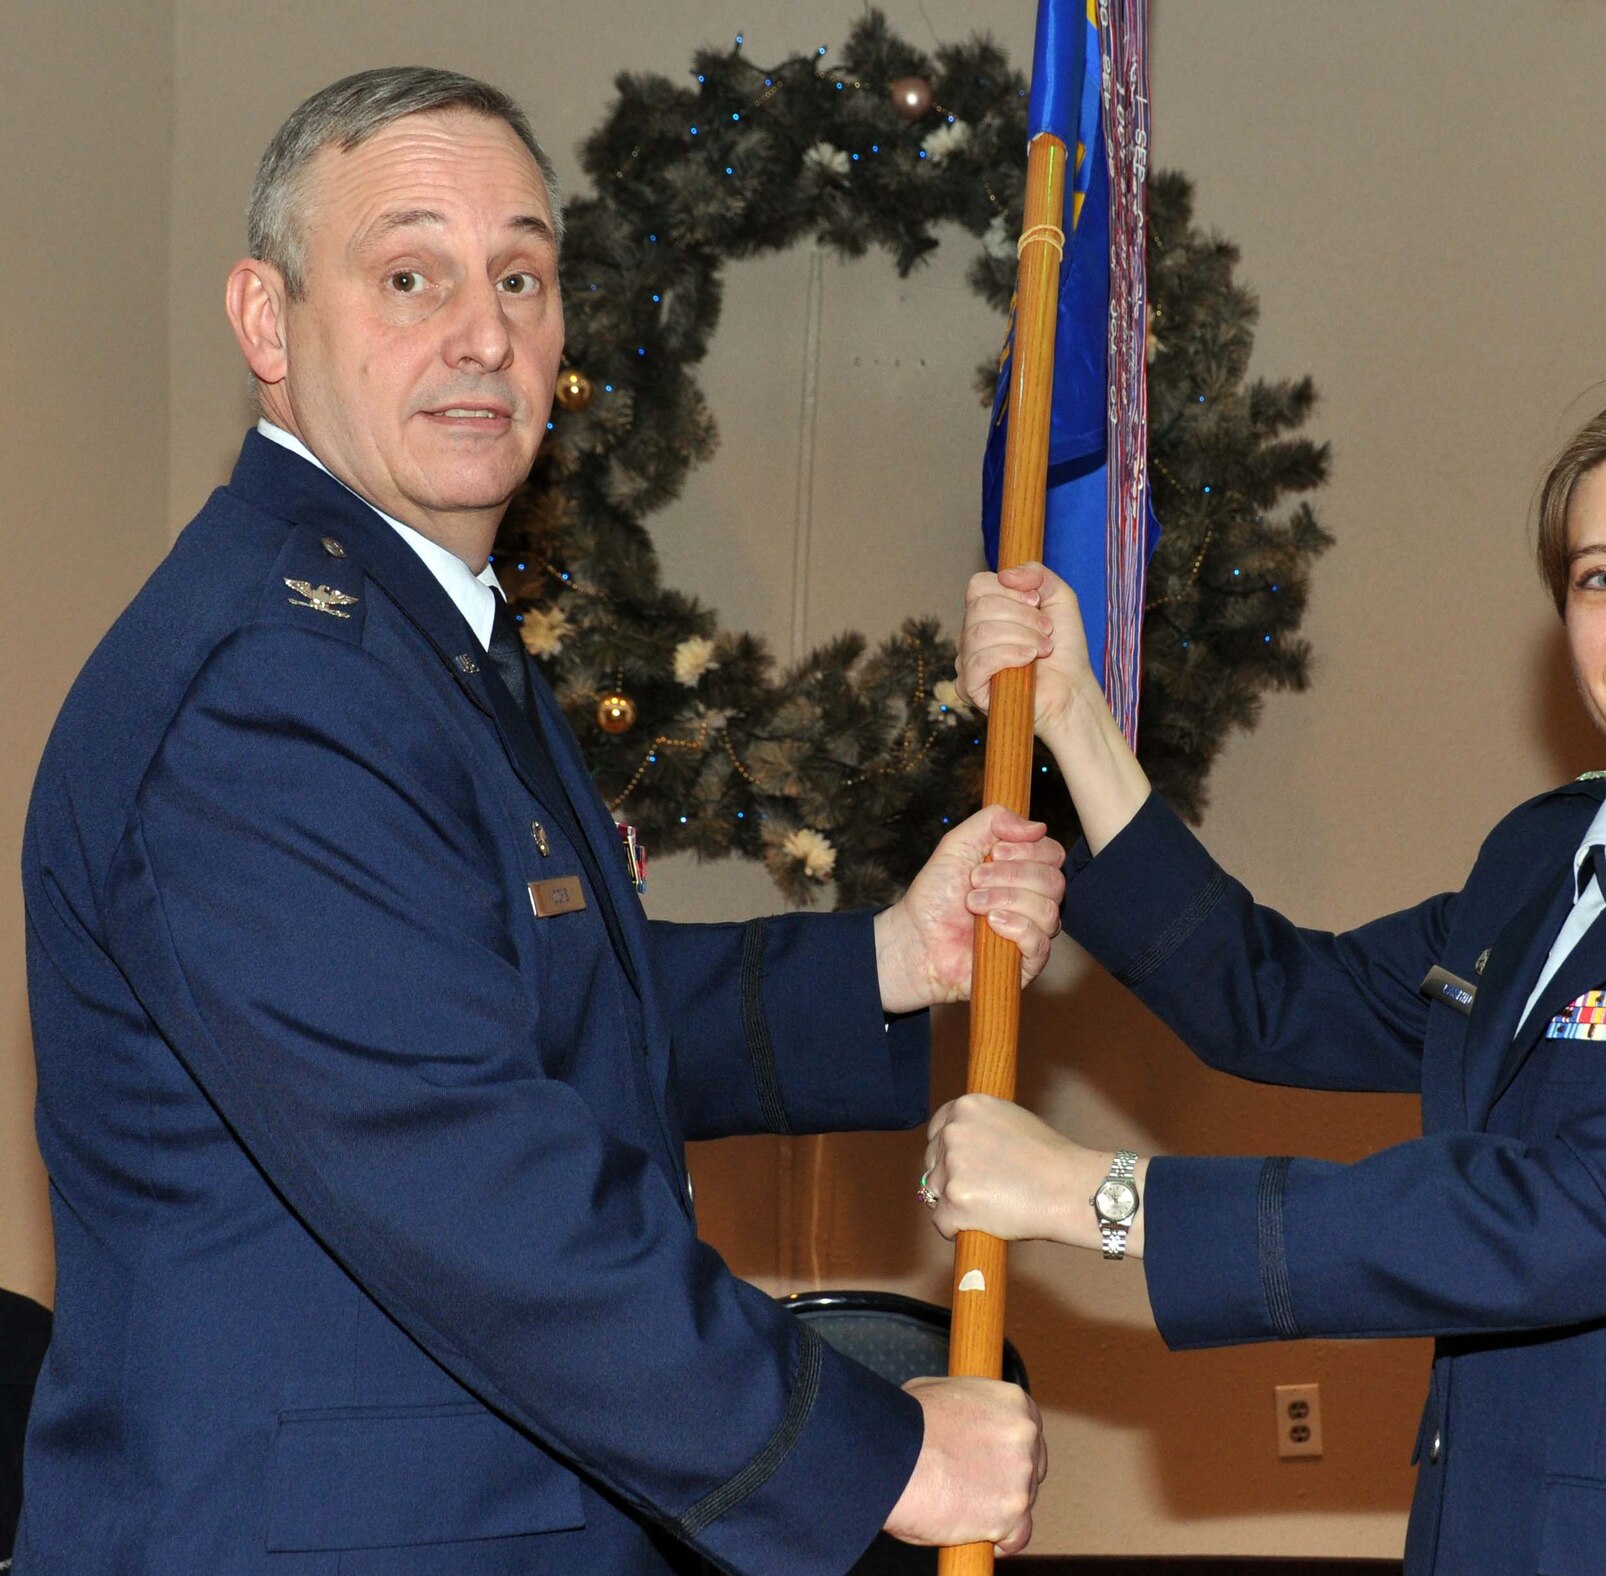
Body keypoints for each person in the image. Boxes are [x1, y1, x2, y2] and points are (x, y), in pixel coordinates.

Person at [19, 67, 1066, 1574]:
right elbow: (472, 1176)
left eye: (520, 274)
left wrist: (890, 963)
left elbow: (534, 1007)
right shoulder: (268, 688)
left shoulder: (413, 634)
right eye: (409, 275)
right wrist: (868, 1451)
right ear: (267, 322)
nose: (484, 332)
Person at [931, 379, 1606, 1576]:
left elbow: (1561, 1217)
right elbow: (1275, 1001)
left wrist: (1102, 1198)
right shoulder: (1545, 856)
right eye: (1598, 576)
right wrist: (1071, 717)